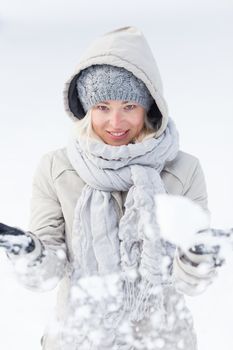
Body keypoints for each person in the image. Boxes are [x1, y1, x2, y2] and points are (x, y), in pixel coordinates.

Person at [0, 26, 218, 350]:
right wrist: (29, 254)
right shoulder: (58, 169)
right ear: (87, 109)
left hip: (159, 340)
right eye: (102, 107)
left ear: (149, 106)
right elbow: (47, 271)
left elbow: (188, 282)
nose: (116, 123)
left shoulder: (183, 170)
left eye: (129, 106)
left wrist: (197, 257)